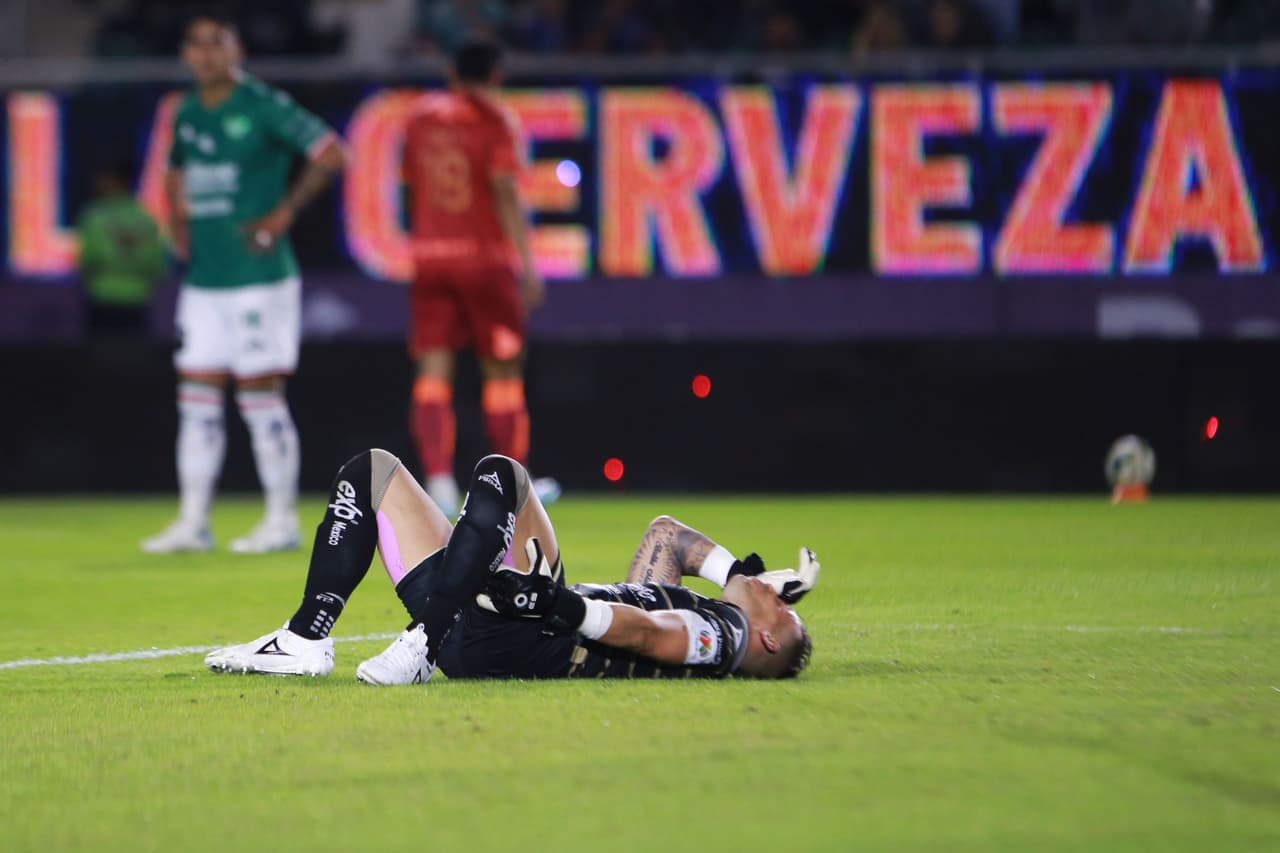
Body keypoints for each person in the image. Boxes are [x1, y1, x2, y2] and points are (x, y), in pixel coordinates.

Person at [204, 451, 817, 682]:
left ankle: (425, 637)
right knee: (371, 473)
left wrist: (558, 604)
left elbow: (649, 635)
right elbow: (667, 536)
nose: (780, 596)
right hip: (491, 621)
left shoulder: (724, 639)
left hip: (535, 631)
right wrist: (742, 572)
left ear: (765, 636)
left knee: (503, 476)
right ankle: (304, 639)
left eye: (785, 613)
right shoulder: (708, 608)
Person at [142, 14, 347, 555]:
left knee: (261, 396)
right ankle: (193, 522)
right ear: (186, 53)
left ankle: (281, 521)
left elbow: (332, 152)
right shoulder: (185, 111)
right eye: (196, 43)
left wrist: (284, 213)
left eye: (217, 42)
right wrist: (178, 224)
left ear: (238, 49)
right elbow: (176, 170)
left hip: (260, 279)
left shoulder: (263, 104)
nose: (206, 53)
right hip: (205, 281)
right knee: (197, 399)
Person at [402, 41, 553, 517]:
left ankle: (440, 481)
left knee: (432, 375)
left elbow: (409, 187)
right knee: (503, 374)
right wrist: (528, 265)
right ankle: (512, 483)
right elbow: (505, 190)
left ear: (450, 71)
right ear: (496, 74)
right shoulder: (495, 120)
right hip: (484, 263)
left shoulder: (420, 118)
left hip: (431, 258)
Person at [76, 159, 167, 336]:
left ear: (117, 180)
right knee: (134, 361)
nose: (99, 183)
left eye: (104, 178)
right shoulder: (146, 219)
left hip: (103, 300)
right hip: (137, 301)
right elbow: (158, 266)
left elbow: (88, 262)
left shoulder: (93, 217)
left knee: (99, 361)